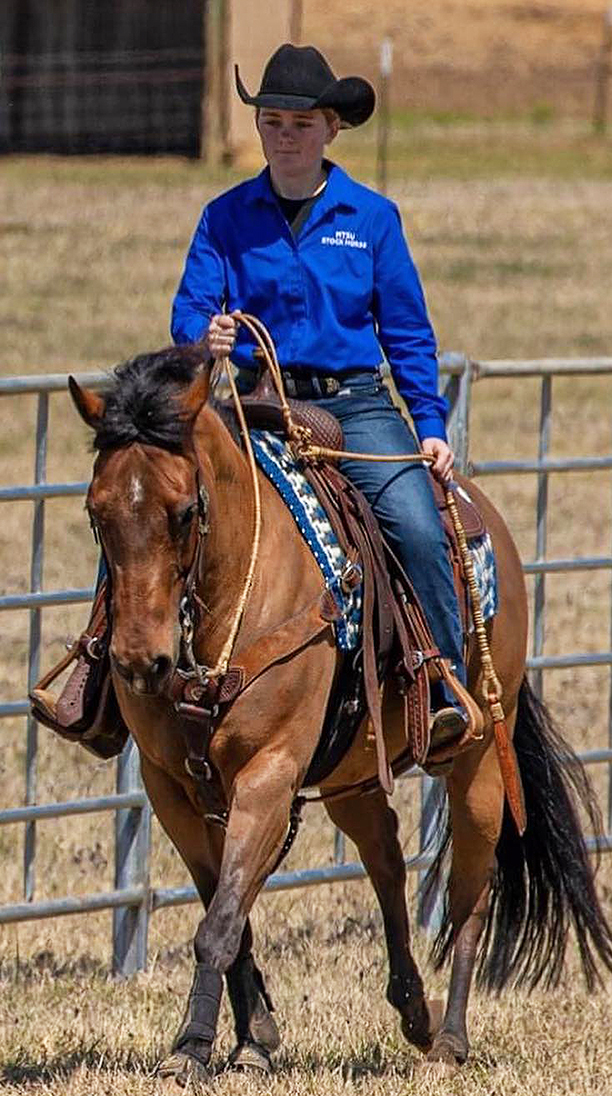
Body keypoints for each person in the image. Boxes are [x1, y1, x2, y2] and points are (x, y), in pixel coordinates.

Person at [170, 42, 467, 751]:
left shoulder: (371, 219)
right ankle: (109, 672)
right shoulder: (224, 216)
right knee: (155, 500)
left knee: (418, 525)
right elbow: (188, 311)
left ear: (332, 129)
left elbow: (407, 332)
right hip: (254, 402)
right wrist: (201, 336)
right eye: (272, 122)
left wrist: (428, 425)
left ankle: (439, 680)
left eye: (301, 124)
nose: (285, 136)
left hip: (354, 405)